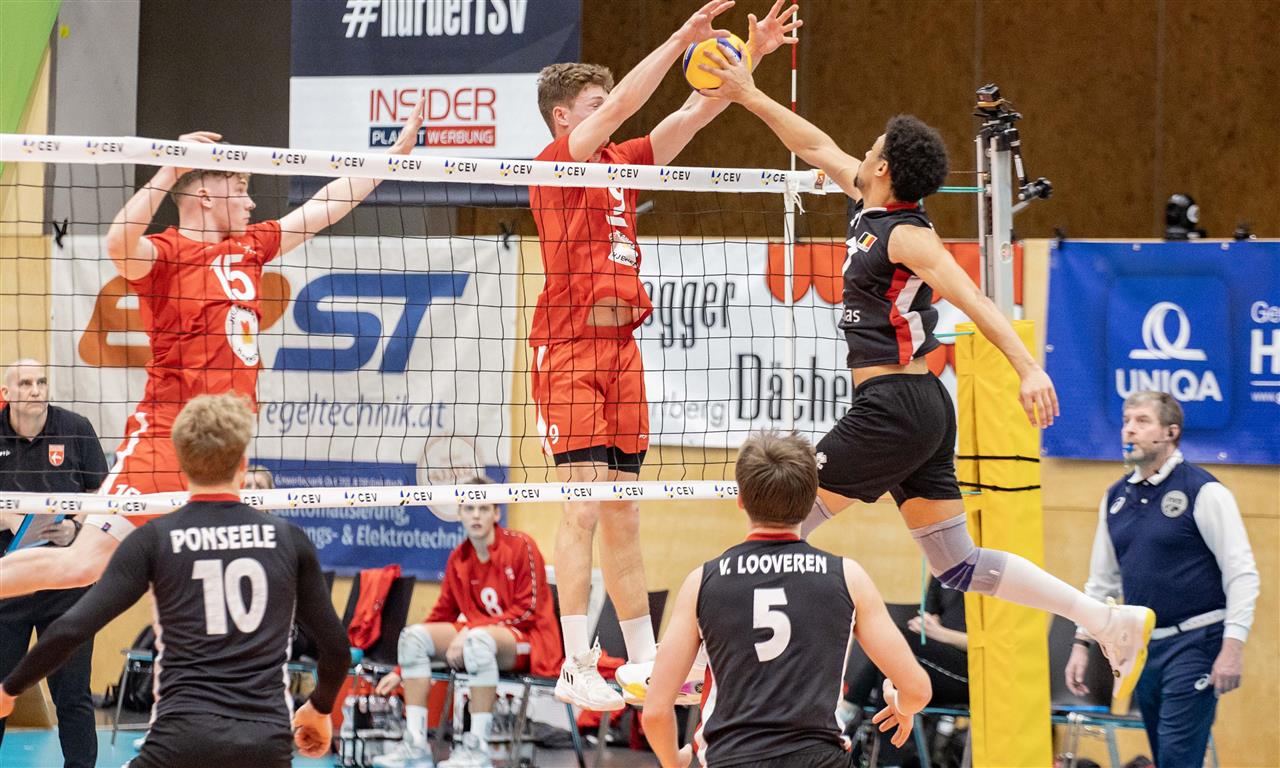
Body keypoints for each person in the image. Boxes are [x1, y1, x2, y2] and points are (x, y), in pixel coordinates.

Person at [694, 47, 1156, 702]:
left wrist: (1028, 366)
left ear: (884, 167)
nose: (862, 151)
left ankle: (720, 681)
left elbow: (974, 297)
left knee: (776, 527)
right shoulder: (867, 203)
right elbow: (813, 143)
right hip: (918, 408)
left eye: (872, 147)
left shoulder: (908, 235)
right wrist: (747, 93)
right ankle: (1106, 621)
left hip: (894, 407)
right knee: (958, 564)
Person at [0, 102, 426, 600]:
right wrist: (169, 167)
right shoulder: (166, 255)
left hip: (225, 445)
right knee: (82, 565)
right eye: (240, 188)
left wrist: (388, 160)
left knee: (209, 574)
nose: (251, 203)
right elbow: (119, 242)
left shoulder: (250, 247)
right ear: (204, 194)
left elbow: (324, 206)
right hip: (167, 439)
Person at [528, 0, 801, 712]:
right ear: (564, 118)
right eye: (593, 106)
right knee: (582, 505)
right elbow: (625, 103)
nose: (609, 113)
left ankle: (645, 661)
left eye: (604, 103)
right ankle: (574, 662)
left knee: (624, 509)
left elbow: (694, 112)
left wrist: (750, 53)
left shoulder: (621, 163)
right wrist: (681, 37)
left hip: (622, 351)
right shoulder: (560, 162)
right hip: (569, 348)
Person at [0, 393, 350, 767]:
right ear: (243, 463)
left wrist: (9, 689)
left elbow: (71, 629)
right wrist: (319, 707)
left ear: (179, 463)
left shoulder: (155, 539)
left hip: (180, 741)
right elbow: (337, 649)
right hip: (267, 745)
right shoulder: (290, 540)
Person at [643, 431, 932, 768]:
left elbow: (655, 711)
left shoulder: (702, 581)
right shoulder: (848, 577)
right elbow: (918, 690)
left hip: (733, 759)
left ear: (741, 499)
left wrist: (673, 760)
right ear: (811, 500)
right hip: (820, 760)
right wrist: (901, 705)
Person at [1064, 391, 1258, 765]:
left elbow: (1242, 573)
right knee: (1163, 754)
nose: (1129, 430)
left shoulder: (1204, 491)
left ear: (1171, 432)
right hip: (1143, 648)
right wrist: (1080, 644)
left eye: (1142, 421)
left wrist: (1233, 646)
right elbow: (1101, 582)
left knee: (1176, 757)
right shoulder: (1115, 498)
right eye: (1126, 421)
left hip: (1197, 642)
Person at [371, 476, 563, 768]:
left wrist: (474, 628)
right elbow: (442, 614)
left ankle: (478, 749)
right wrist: (400, 670)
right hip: (479, 637)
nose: (476, 515)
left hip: (529, 641)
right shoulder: (459, 558)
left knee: (477, 641)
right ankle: (415, 745)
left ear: (496, 513)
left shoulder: (521, 546)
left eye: (483, 508)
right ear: (459, 513)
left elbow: (529, 610)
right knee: (413, 638)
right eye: (469, 508)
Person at [0, 359, 107, 768]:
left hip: (65, 583)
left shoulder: (75, 428)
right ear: (7, 393)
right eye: (26, 383)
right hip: (8, 584)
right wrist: (13, 520)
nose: (35, 389)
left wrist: (75, 526)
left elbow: (101, 494)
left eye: (41, 381)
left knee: (74, 695)